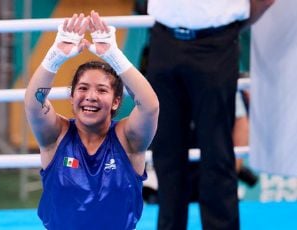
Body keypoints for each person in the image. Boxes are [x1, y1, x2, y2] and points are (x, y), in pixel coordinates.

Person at [145, 0, 275, 229]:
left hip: (217, 44)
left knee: (217, 152)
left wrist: (229, 27)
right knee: (166, 151)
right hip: (162, 39)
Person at [24, 11, 159, 229]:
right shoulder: (56, 135)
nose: (91, 96)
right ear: (72, 96)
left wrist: (114, 56)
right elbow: (33, 103)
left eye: (102, 90)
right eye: (83, 88)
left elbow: (150, 106)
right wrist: (55, 56)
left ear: (116, 102)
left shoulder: (128, 140)